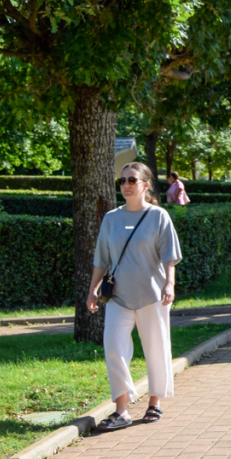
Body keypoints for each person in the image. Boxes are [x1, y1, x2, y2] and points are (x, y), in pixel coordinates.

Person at [86, 162, 182, 430]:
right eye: (122, 181)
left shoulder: (158, 216)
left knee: (156, 348)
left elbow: (170, 256)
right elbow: (101, 259)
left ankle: (154, 402)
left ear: (146, 185)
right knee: (113, 348)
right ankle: (122, 409)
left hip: (153, 294)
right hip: (118, 296)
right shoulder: (111, 218)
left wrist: (169, 284)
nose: (126, 185)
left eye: (132, 180)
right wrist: (93, 289)